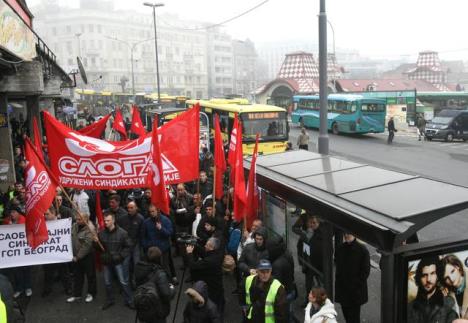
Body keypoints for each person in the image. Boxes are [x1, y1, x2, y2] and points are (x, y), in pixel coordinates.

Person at [96, 212, 134, 310]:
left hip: (118, 261)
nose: (105, 222)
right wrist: (95, 242)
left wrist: (120, 256)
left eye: (108, 220)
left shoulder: (122, 233)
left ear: (113, 220)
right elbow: (98, 248)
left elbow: (129, 247)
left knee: (123, 282)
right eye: (104, 220)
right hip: (107, 261)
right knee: (107, 282)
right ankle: (110, 300)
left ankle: (129, 300)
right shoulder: (101, 233)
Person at [407, 256, 458, 323]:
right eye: (424, 275)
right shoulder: (409, 308)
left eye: (432, 273)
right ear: (419, 278)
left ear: (437, 276)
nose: (428, 279)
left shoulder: (448, 306)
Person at [334, 233, 370, 323]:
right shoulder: (340, 248)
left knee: (353, 318)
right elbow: (337, 265)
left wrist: (355, 285)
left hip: (354, 292)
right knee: (346, 315)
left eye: (348, 233)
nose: (346, 235)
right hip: (343, 290)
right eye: (345, 233)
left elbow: (365, 272)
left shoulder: (362, 250)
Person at [134, 247, 175, 323]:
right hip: (157, 309)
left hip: (143, 306)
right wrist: (172, 289)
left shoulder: (138, 267)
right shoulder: (160, 274)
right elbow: (167, 295)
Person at [241, 259, 287, 323]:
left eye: (267, 271)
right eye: (262, 271)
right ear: (257, 271)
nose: (265, 274)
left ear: (271, 271)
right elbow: (242, 293)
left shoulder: (278, 288)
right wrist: (244, 307)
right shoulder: (249, 280)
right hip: (251, 318)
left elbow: (281, 314)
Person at [186, 237, 225, 314]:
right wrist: (195, 245)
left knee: (212, 306)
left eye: (207, 245)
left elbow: (193, 266)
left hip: (211, 287)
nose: (204, 246)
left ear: (212, 247)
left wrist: (189, 253)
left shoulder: (210, 261)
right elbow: (205, 253)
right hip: (217, 285)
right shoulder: (217, 253)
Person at [141, 205, 176, 284]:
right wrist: (146, 245)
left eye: (153, 211)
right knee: (153, 268)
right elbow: (143, 236)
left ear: (157, 210)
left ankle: (166, 284)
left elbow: (170, 233)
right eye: (150, 212)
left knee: (165, 267)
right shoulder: (146, 222)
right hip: (152, 250)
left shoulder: (165, 220)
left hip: (163, 249)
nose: (151, 213)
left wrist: (161, 229)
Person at [67, 213, 96, 303]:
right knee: (77, 276)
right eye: (76, 219)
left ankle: (91, 293)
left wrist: (78, 257)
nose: (77, 221)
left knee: (90, 275)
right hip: (76, 256)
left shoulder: (90, 229)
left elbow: (86, 246)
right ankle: (77, 294)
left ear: (85, 219)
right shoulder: (74, 226)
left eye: (79, 219)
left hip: (87, 257)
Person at [294, 215, 323, 303]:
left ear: (318, 223)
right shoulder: (306, 234)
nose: (311, 225)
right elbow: (300, 248)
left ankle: (321, 301)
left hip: (318, 266)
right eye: (310, 223)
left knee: (321, 285)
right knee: (308, 285)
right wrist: (302, 263)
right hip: (309, 264)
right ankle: (308, 301)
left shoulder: (322, 235)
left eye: (314, 223)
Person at [117, 201, 144, 286]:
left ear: (136, 208)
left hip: (136, 245)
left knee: (137, 264)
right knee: (125, 265)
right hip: (126, 246)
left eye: (131, 207)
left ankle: (136, 282)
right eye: (128, 208)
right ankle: (126, 283)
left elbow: (142, 233)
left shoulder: (140, 218)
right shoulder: (122, 219)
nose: (129, 209)